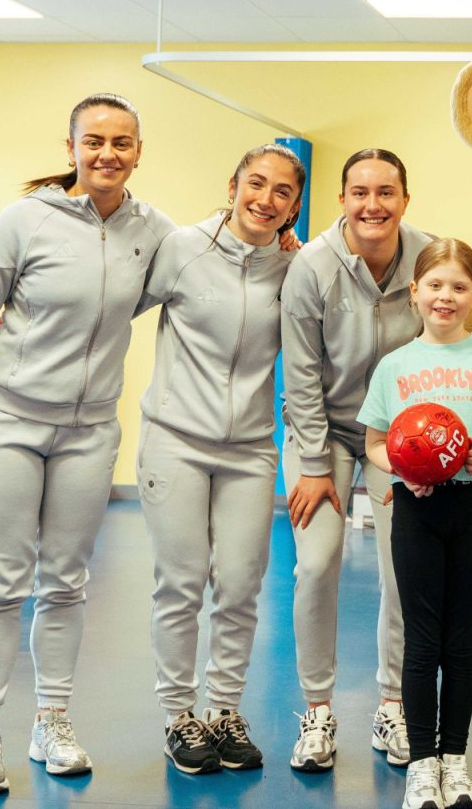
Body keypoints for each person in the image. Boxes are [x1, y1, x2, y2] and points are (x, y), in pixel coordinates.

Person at [0, 94, 176, 795]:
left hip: (89, 428)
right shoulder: (22, 220)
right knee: (0, 584)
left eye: (122, 142)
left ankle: (52, 721)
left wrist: (280, 240)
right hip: (8, 419)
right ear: (71, 147)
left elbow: (204, 263)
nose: (108, 153)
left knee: (68, 583)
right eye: (95, 141)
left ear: (139, 150)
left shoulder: (151, 230)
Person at [134, 144, 303, 774]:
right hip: (174, 439)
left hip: (250, 449)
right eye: (255, 184)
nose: (264, 199)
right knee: (180, 583)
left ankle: (224, 710)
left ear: (294, 205)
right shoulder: (182, 248)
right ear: (231, 184)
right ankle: (180, 715)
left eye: (281, 192)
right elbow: (111, 307)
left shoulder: (293, 266)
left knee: (238, 583)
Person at [360, 237, 472, 809]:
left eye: (459, 287)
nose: (446, 296)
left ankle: (456, 762)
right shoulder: (396, 365)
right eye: (435, 285)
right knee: (421, 641)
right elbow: (374, 442)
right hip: (416, 509)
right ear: (415, 293)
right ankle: (421, 765)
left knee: (461, 643)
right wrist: (401, 468)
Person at [280, 148, 433, 771]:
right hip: (324, 432)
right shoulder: (312, 267)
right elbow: (301, 373)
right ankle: (317, 711)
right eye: (360, 192)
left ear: (404, 198)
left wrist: (424, 448)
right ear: (342, 198)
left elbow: (440, 347)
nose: (373, 204)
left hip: (399, 438)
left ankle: (392, 703)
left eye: (387, 192)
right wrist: (315, 464)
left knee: (405, 570)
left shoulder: (429, 257)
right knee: (316, 565)